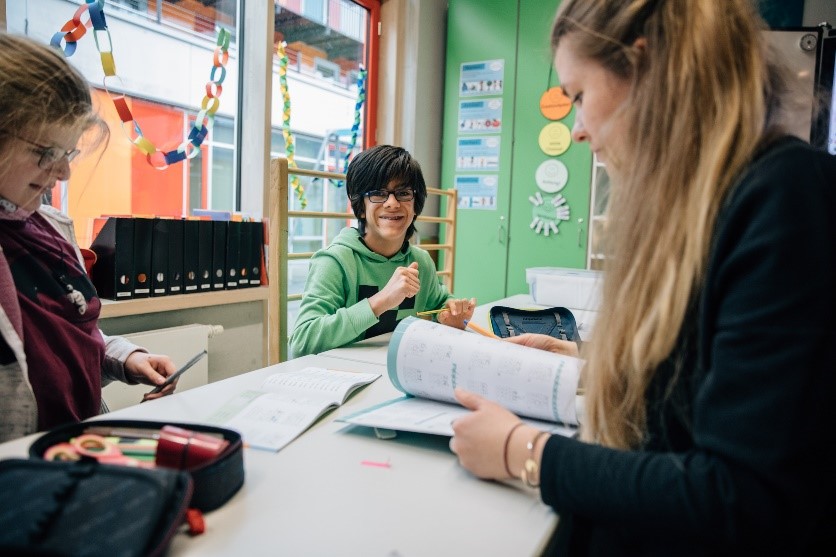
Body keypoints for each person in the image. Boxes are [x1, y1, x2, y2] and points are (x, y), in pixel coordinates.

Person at [449, 0, 836, 554]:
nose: (577, 130)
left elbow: (742, 496)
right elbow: (712, 374)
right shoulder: (716, 201)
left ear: (645, 68)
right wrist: (593, 363)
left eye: (579, 96)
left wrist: (523, 450)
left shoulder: (786, 200)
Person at [0, 32, 178, 443]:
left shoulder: (53, 229)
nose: (62, 174)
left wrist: (124, 359)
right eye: (47, 153)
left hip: (76, 451)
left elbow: (72, 336)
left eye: (68, 154)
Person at [290, 144, 475, 357]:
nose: (392, 203)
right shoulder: (335, 261)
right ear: (360, 207)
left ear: (416, 205)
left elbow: (440, 302)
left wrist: (451, 315)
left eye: (403, 193)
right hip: (342, 379)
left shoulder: (420, 262)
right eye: (378, 194)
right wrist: (382, 300)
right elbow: (301, 342)